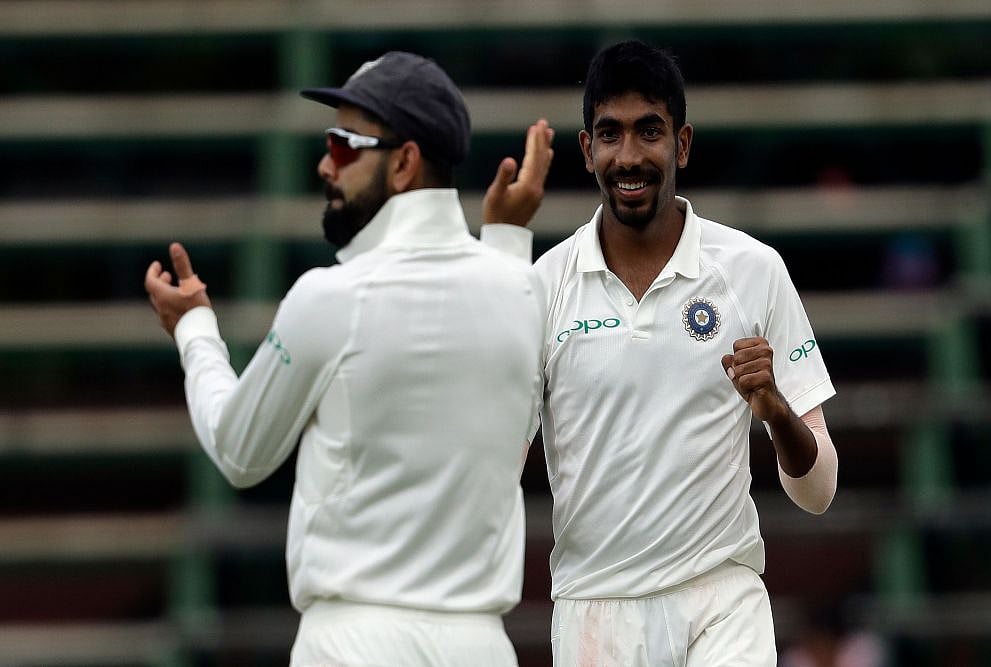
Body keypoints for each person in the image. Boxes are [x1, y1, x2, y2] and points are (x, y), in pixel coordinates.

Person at [144, 51, 556, 667]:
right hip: (482, 647)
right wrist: (505, 238)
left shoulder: (330, 297)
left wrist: (194, 330)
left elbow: (239, 451)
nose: (324, 164)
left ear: (405, 163)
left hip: (353, 644)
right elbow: (512, 428)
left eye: (342, 146)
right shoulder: (524, 291)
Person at [483, 40, 839, 666]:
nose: (629, 156)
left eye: (649, 131)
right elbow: (490, 473)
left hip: (721, 598)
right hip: (594, 609)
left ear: (682, 144)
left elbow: (819, 491)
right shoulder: (545, 286)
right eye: (610, 134)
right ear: (586, 148)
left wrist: (777, 411)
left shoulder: (753, 270)